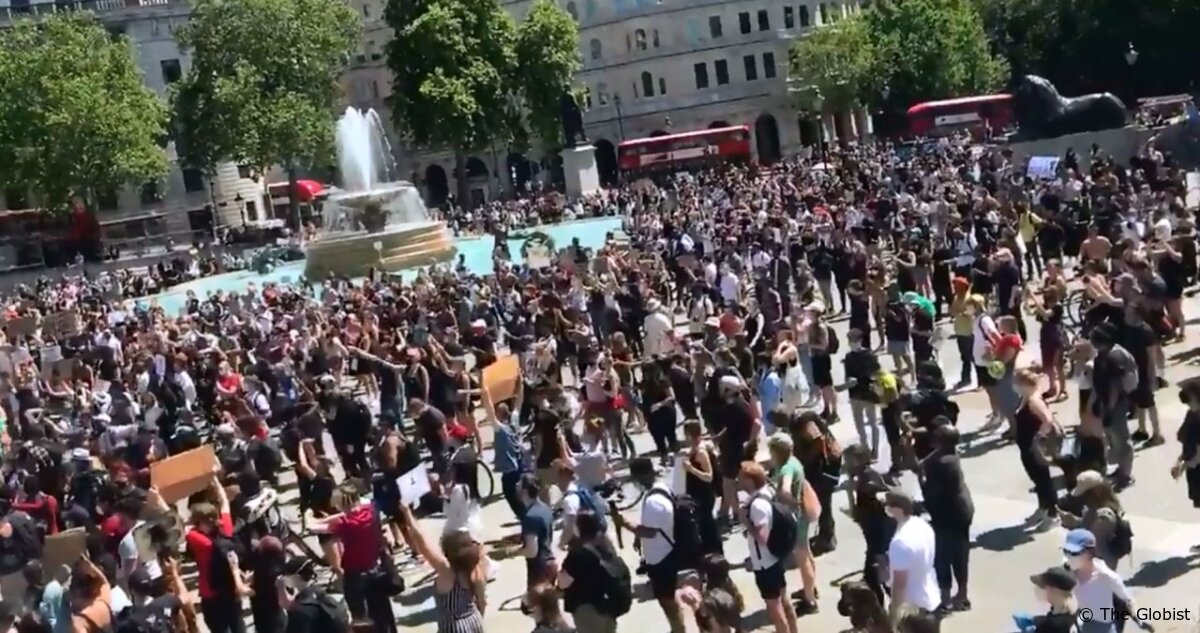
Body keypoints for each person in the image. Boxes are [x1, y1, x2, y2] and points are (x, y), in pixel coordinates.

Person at [609, 457, 684, 633]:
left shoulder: (653, 502)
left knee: (667, 601)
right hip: (666, 552)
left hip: (661, 558)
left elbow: (650, 531)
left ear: (641, 475)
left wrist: (624, 523)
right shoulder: (661, 489)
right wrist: (637, 537)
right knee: (669, 599)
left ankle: (678, 629)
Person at [395, 504, 485, 633]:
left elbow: (423, 544)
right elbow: (482, 602)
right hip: (474, 621)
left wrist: (407, 513)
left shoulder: (447, 571)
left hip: (454, 626)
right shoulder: (476, 569)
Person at [738, 461, 798, 633]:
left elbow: (763, 537)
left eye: (742, 477)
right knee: (784, 601)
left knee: (775, 610)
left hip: (765, 564)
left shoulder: (758, 505)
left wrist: (746, 522)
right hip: (774, 559)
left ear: (750, 480)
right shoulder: (766, 493)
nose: (738, 480)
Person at [185, 476, 248, 633]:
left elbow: (177, 525)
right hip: (231, 590)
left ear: (200, 522)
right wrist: (214, 479)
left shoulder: (202, 542)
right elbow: (224, 502)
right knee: (237, 623)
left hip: (211, 596)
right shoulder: (226, 530)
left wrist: (159, 500)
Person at [920, 425, 973, 613]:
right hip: (961, 511)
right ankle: (962, 595)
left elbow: (929, 491)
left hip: (948, 515)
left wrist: (920, 475)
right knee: (960, 555)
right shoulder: (951, 455)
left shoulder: (940, 463)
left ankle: (946, 599)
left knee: (943, 556)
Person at [765, 432, 817, 614]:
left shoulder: (786, 468)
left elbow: (785, 492)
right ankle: (811, 589)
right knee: (807, 553)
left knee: (802, 558)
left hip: (795, 517)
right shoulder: (794, 461)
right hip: (803, 515)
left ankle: (810, 601)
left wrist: (783, 497)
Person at [558, 511, 622, 633]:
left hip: (588, 610)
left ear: (579, 528)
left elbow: (563, 583)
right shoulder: (607, 546)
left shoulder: (577, 554)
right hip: (609, 605)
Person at [1063, 529, 1137, 633]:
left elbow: (1127, 599)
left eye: (1075, 553)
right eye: (1066, 551)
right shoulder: (1066, 572)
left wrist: (1138, 616)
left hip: (1103, 627)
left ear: (1090, 553)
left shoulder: (1106, 576)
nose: (1068, 557)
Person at [1013, 368, 1061, 529]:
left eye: (1017, 382)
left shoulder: (1034, 401)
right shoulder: (1025, 398)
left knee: (1043, 480)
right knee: (1037, 479)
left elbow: (1047, 421)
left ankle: (1053, 514)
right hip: (1025, 445)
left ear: (1025, 384)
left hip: (1034, 446)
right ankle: (1043, 508)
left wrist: (1038, 437)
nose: (1015, 385)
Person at [884, 490, 940, 619]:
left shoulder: (899, 542)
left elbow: (900, 585)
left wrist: (893, 614)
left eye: (888, 506)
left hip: (913, 609)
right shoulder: (923, 526)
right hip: (931, 597)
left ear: (898, 509)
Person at [517, 474, 557, 589]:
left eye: (519, 484)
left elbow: (531, 551)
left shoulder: (531, 516)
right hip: (549, 562)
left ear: (525, 491)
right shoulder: (545, 508)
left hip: (538, 569)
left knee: (532, 605)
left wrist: (514, 551)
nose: (516, 486)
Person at [1171, 379, 1200, 512]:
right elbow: (1188, 442)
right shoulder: (1191, 414)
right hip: (1193, 466)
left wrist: (1187, 463)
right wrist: (1179, 461)